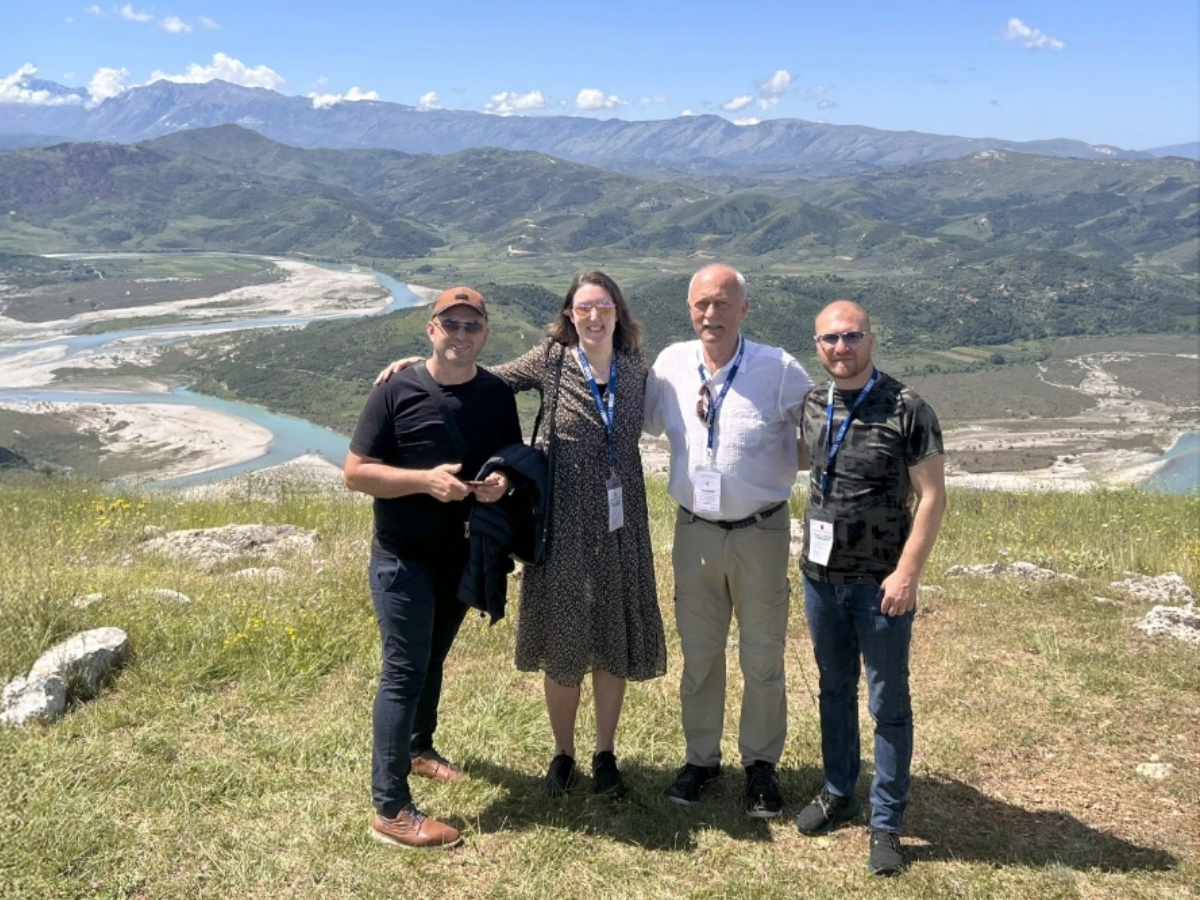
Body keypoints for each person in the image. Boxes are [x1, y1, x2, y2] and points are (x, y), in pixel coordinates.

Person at [377, 272, 666, 799]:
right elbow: (481, 377)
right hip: (561, 521)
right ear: (570, 314)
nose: (594, 316)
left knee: (612, 636)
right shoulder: (552, 359)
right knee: (564, 637)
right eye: (583, 307)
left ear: (618, 312)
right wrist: (422, 366)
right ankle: (563, 754)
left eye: (603, 306)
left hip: (621, 524)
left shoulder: (637, 369)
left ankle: (605, 753)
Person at [345, 286, 522, 850]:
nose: (461, 335)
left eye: (472, 326)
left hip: (462, 556)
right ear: (432, 330)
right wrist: (424, 482)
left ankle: (419, 749)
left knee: (432, 658)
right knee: (403, 671)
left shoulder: (496, 394)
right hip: (403, 558)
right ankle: (390, 810)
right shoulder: (395, 390)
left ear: (485, 334)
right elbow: (356, 472)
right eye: (451, 324)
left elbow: (510, 458)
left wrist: (503, 483)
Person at [643, 264, 813, 818]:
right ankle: (701, 759)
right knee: (699, 654)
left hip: (761, 531)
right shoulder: (671, 364)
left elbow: (823, 427)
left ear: (744, 309)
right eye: (701, 303)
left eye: (722, 303)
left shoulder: (777, 368)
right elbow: (629, 414)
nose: (710, 314)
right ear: (689, 308)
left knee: (763, 656)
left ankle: (760, 765)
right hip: (694, 531)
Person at [793, 300, 946, 876]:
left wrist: (907, 573)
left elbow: (932, 495)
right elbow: (804, 460)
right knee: (834, 689)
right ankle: (839, 792)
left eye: (851, 336)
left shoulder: (908, 407)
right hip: (820, 578)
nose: (841, 347)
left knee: (888, 705)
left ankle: (886, 823)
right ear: (817, 346)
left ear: (870, 340)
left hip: (881, 584)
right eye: (830, 339)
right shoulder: (813, 402)